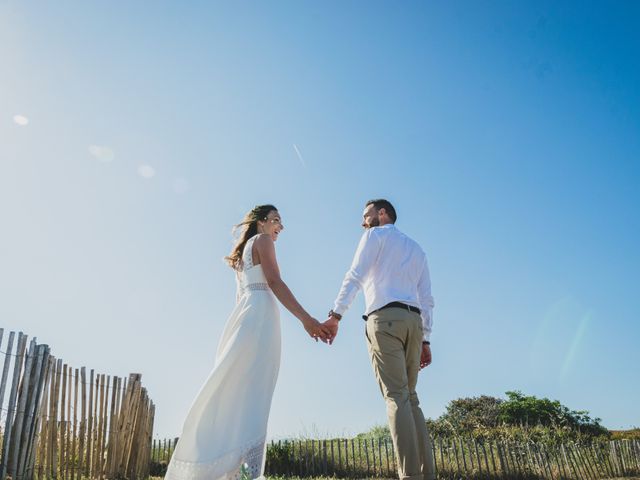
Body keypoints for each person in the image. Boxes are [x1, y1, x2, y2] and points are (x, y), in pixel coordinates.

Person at [165, 205, 330, 480]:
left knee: (238, 392)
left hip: (245, 318)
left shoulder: (241, 255)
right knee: (255, 395)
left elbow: (240, 299)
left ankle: (230, 469)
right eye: (276, 220)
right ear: (262, 222)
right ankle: (246, 474)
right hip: (262, 317)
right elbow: (275, 281)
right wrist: (307, 319)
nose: (280, 227)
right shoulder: (263, 240)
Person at [323, 199, 436, 480]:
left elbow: (355, 275)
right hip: (414, 322)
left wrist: (336, 314)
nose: (363, 221)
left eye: (366, 215)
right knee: (411, 398)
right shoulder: (417, 249)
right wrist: (426, 340)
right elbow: (427, 299)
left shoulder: (374, 236)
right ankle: (427, 474)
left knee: (396, 397)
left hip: (384, 319)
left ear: (382, 213)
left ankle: (410, 475)